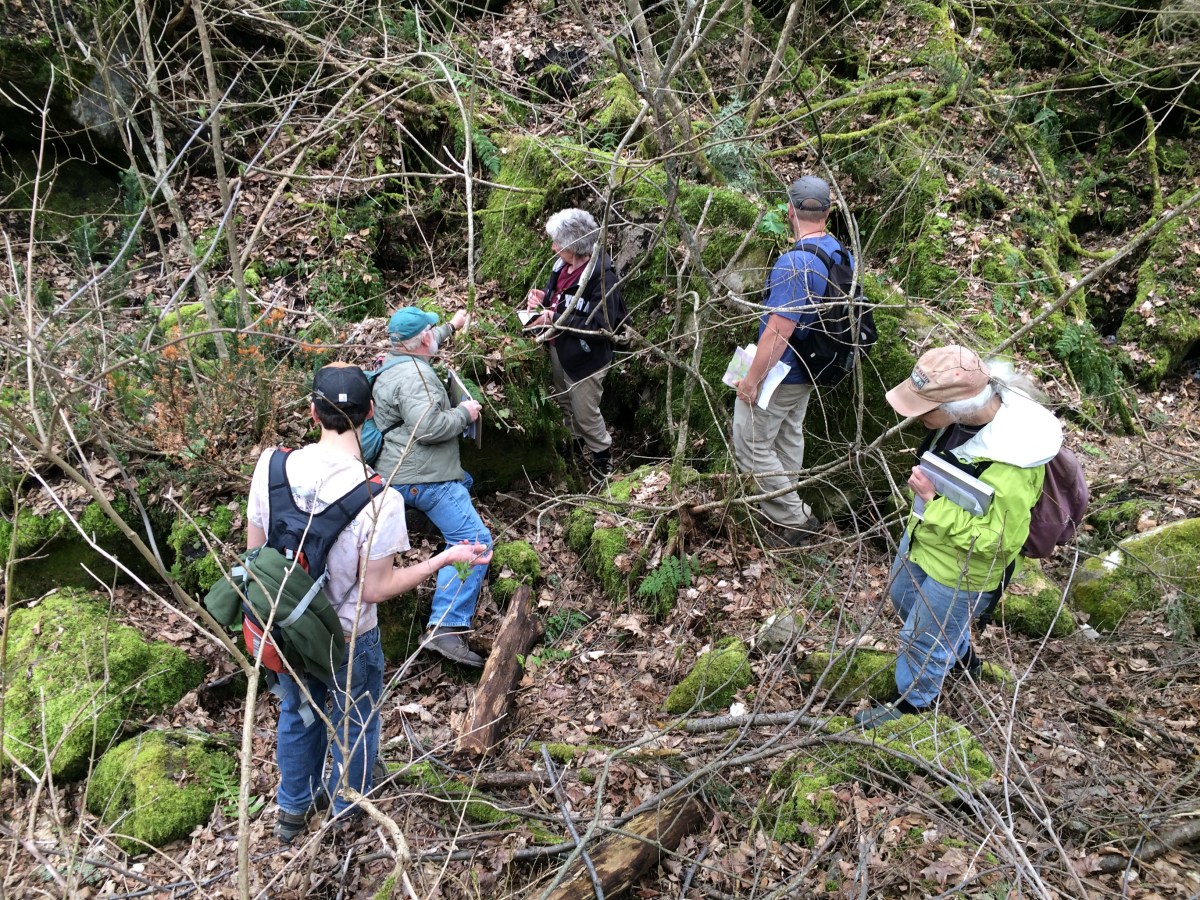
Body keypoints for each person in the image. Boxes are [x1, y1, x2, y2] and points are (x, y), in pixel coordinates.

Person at [247, 363, 490, 842]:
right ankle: (347, 809)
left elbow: (256, 554)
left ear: (312, 411)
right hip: (348, 635)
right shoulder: (379, 496)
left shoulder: (270, 466)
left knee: (297, 716)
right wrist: (443, 559)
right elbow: (376, 587)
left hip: (283, 628)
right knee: (354, 722)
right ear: (371, 413)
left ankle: (291, 811)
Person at [855, 346, 1063, 729]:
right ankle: (961, 658)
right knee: (903, 599)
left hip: (963, 569)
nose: (916, 417)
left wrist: (933, 503)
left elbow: (998, 541)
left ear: (956, 406)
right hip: (923, 539)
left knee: (922, 636)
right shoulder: (958, 422)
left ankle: (912, 707)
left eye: (922, 408)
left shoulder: (1012, 463)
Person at [371, 305, 494, 667]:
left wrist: (452, 327)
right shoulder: (415, 377)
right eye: (432, 330)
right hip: (424, 479)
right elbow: (428, 428)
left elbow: (430, 340)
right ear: (421, 339)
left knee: (467, 481)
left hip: (401, 472)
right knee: (476, 542)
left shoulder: (397, 359)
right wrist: (465, 414)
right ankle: (446, 626)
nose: (434, 334)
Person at [732, 175, 850, 548]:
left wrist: (751, 381)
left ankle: (796, 518)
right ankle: (781, 509)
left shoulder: (794, 264)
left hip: (784, 369)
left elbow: (778, 332)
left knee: (749, 441)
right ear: (828, 213)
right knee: (787, 435)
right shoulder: (837, 251)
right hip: (814, 367)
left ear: (788, 211)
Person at [524, 208, 624, 477]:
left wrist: (552, 317)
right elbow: (559, 301)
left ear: (575, 246)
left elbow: (601, 327)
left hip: (587, 359)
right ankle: (576, 445)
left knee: (585, 412)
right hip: (560, 348)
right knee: (564, 401)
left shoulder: (603, 279)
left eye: (558, 242)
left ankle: (603, 458)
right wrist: (543, 300)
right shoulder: (561, 266)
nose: (553, 246)